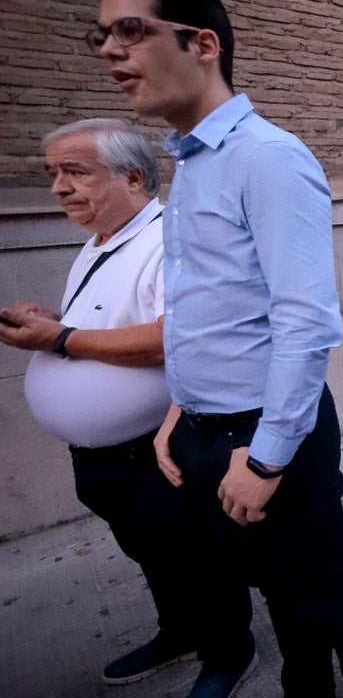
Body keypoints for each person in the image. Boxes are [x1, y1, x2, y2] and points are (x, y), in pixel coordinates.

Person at [89, 0, 343, 696]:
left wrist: (263, 462)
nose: (109, 51)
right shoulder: (191, 162)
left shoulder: (268, 158)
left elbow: (305, 324)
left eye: (130, 30)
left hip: (266, 436)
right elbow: (208, 313)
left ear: (202, 44)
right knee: (283, 602)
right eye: (100, 35)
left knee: (331, 600)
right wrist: (178, 416)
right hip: (207, 432)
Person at [0, 119, 254, 697]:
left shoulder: (168, 240)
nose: (59, 187)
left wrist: (59, 340)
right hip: (105, 458)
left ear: (132, 177)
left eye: (75, 172)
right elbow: (109, 325)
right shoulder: (100, 241)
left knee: (197, 558)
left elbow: (176, 337)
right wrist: (52, 322)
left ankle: (227, 652)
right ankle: (181, 630)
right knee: (152, 555)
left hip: (155, 453)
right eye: (53, 175)